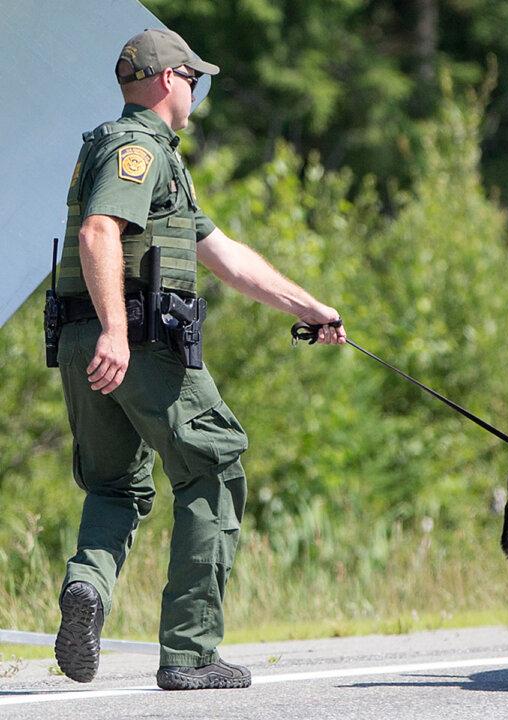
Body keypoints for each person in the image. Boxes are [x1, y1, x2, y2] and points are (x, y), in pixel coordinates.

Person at [51, 28, 346, 691]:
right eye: (193, 78)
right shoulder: (137, 151)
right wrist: (118, 334)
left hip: (86, 343)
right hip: (136, 344)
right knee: (214, 465)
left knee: (113, 487)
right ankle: (189, 653)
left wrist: (309, 306)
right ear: (165, 81)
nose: (197, 90)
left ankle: (87, 589)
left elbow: (227, 257)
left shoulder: (136, 153)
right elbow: (102, 231)